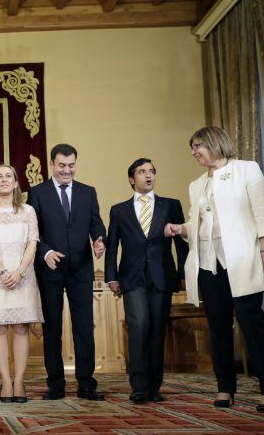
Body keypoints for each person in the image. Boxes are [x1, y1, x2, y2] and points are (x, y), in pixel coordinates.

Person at [165, 126, 264, 413]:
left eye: (197, 146)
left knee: (250, 323)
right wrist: (181, 228)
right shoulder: (196, 184)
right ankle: (225, 387)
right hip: (209, 263)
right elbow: (198, 223)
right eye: (192, 148)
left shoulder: (246, 169)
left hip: (242, 259)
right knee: (217, 328)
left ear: (215, 143)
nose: (193, 152)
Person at [26, 143, 106, 401]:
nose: (67, 170)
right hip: (50, 267)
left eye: (71, 165)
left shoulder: (87, 192)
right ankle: (56, 385)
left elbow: (97, 223)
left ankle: (86, 384)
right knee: (53, 329)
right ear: (52, 164)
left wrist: (99, 239)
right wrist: (46, 252)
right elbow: (31, 231)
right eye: (62, 165)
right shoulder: (37, 193)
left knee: (84, 327)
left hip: (81, 267)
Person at [105, 158, 187, 404]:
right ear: (132, 179)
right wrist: (111, 277)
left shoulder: (171, 205)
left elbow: (181, 245)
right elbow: (112, 247)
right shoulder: (119, 210)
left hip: (162, 276)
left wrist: (183, 274)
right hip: (132, 277)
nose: (148, 175)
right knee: (139, 325)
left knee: (156, 330)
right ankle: (139, 386)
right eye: (142, 172)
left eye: (151, 171)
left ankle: (154, 386)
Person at [0, 164, 44, 404]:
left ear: (16, 183)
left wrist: (20, 271)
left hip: (23, 275)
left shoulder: (28, 210)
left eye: (9, 176)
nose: (4, 180)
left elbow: (33, 243)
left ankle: (20, 380)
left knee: (21, 328)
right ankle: (5, 380)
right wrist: (4, 271)